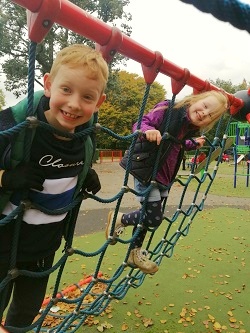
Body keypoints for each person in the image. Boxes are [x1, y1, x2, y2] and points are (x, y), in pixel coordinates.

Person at [0, 44, 109, 331]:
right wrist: (6, 178)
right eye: (66, 90)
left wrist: (86, 174)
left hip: (43, 246)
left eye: (87, 97)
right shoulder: (19, 125)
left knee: (25, 312)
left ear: (98, 103)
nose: (74, 104)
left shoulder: (85, 138)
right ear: (48, 85)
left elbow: (69, 167)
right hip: (4, 237)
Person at [105, 90, 229, 274]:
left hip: (164, 175)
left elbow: (177, 144)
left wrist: (193, 144)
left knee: (147, 218)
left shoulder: (189, 127)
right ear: (195, 100)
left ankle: (134, 252)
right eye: (204, 106)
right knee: (154, 218)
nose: (204, 113)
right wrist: (148, 131)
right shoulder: (169, 109)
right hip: (148, 170)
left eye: (209, 115)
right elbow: (140, 123)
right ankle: (120, 219)